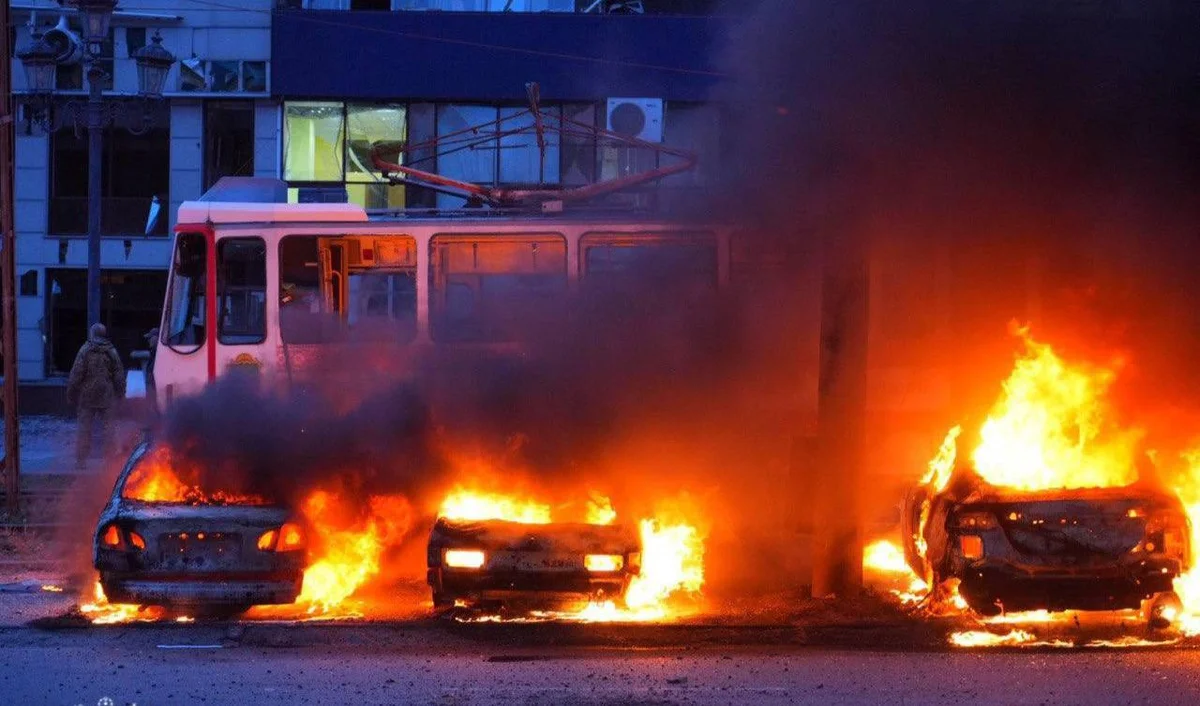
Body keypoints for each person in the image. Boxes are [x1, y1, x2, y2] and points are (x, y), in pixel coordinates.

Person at [66, 323, 126, 468]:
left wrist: (71, 393)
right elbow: (119, 375)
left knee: (84, 429)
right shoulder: (111, 351)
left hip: (87, 397)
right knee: (108, 430)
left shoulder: (85, 350)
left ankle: (81, 461)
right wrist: (121, 394)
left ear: (92, 334)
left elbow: (76, 374)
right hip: (107, 396)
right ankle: (109, 461)